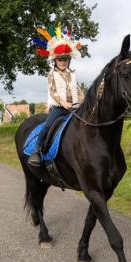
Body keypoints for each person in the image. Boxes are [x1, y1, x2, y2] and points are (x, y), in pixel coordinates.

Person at [28, 27, 84, 167]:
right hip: (60, 108)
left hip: (75, 107)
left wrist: (85, 101)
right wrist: (63, 102)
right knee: (47, 126)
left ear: (68, 60)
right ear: (55, 60)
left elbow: (78, 90)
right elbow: (53, 91)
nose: (63, 62)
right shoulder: (52, 74)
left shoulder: (73, 74)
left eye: (65, 59)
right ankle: (37, 151)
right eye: (60, 59)